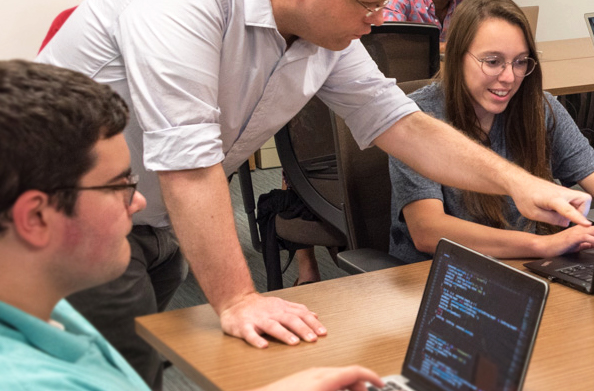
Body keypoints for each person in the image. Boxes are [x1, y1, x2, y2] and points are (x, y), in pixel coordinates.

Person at [37, 0, 591, 387]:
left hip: (158, 218)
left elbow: (401, 124)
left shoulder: (321, 31)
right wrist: (237, 298)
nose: (376, 21)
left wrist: (517, 184)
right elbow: (188, 164)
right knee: (101, 375)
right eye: (368, 3)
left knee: (135, 368)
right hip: (65, 215)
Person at [0, 59, 385, 391]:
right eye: (119, 185)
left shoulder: (44, 308)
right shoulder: (30, 380)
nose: (138, 201)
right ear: (35, 217)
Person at [388, 0, 594, 263]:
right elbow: (427, 230)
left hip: (522, 264)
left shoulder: (538, 107)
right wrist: (543, 245)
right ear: (456, 56)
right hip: (441, 274)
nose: (509, 77)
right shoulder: (417, 118)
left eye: (520, 62)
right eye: (493, 61)